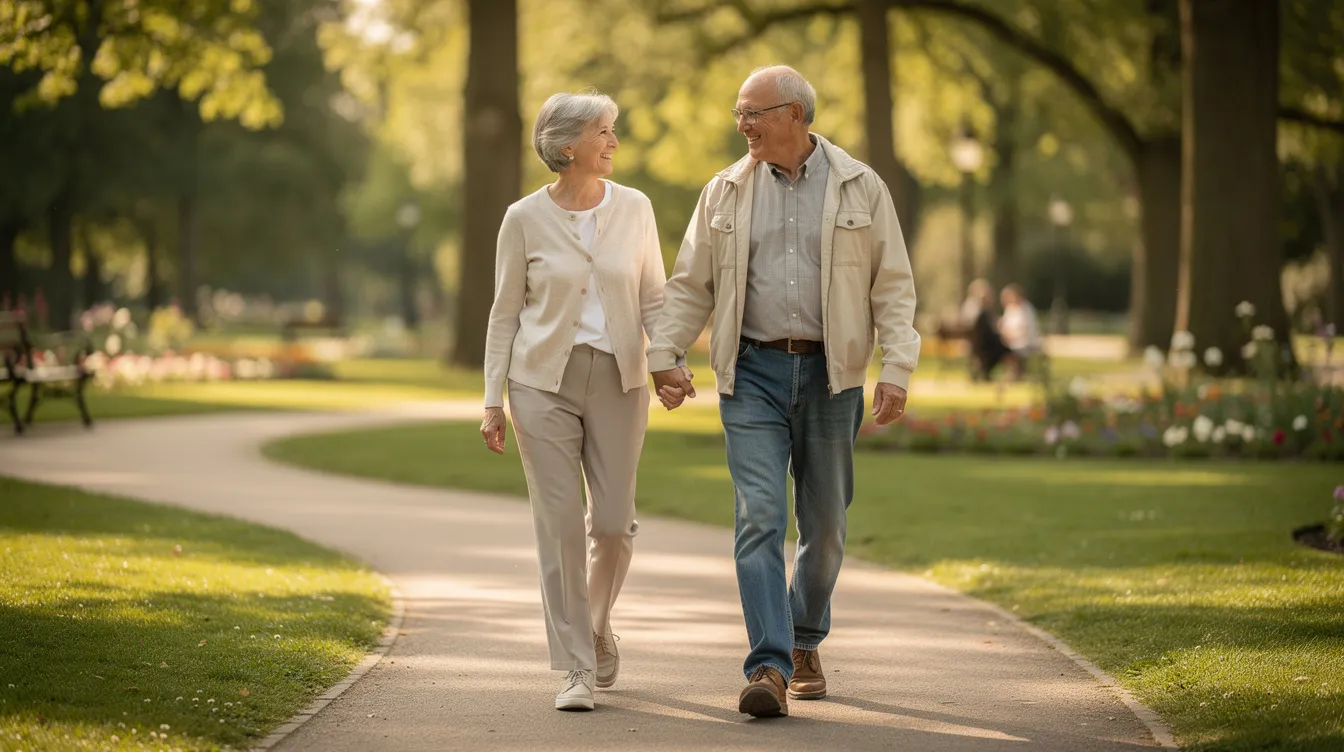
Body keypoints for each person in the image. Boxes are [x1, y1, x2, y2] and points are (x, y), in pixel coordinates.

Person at [646, 66, 920, 718]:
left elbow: (894, 286)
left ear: (795, 114)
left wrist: (899, 367)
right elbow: (691, 286)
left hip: (834, 377)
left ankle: (803, 637)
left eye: (753, 113)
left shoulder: (861, 185)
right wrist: (664, 353)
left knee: (824, 531)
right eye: (739, 114)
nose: (742, 125)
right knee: (761, 516)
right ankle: (768, 666)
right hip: (753, 376)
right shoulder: (723, 192)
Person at [481, 91, 670, 712]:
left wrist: (669, 362)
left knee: (613, 525)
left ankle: (593, 623)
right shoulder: (523, 218)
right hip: (540, 384)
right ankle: (575, 669)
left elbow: (654, 298)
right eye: (604, 131)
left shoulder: (636, 209)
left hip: (621, 380)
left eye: (614, 130)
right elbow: (505, 312)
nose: (614, 141)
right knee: (559, 524)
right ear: (568, 146)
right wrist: (491, 400)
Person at [962, 278, 1008, 381]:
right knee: (1003, 350)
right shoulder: (979, 310)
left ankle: (984, 371)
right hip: (982, 344)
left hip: (978, 344)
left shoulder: (971, 308)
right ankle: (986, 372)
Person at [998, 283, 1041, 379]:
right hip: (1010, 341)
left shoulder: (1026, 309)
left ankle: (1016, 374)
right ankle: (1012, 374)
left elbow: (1024, 330)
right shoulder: (1010, 309)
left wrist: (1010, 335)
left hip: (1025, 342)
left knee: (1009, 350)